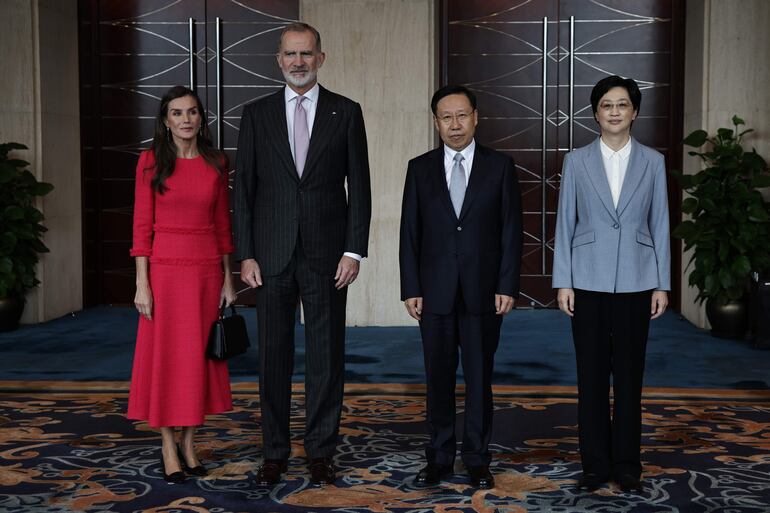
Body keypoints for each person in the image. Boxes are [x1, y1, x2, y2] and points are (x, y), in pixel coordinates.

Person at [233, 22, 371, 487]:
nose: (298, 62)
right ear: (278, 60)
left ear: (321, 58)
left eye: (306, 54)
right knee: (272, 358)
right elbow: (243, 190)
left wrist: (353, 251)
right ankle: (273, 452)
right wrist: (246, 254)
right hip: (269, 257)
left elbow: (360, 187)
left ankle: (321, 452)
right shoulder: (256, 114)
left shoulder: (345, 112)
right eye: (290, 54)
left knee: (326, 358)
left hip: (328, 256)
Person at [399, 85, 522, 489]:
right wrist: (411, 287)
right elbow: (410, 232)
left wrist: (507, 284)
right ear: (436, 122)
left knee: (479, 378)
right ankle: (438, 457)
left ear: (476, 118)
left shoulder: (499, 167)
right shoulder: (419, 168)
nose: (455, 124)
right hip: (433, 291)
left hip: (483, 291)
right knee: (437, 378)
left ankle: (477, 459)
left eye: (462, 115)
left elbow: (511, 230)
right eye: (446, 117)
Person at [552, 75, 671, 493]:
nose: (615, 111)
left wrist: (662, 284)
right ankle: (594, 465)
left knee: (629, 377)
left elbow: (660, 223)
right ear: (596, 113)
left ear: (634, 112)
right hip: (586, 279)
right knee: (591, 377)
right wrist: (563, 281)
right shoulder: (576, 161)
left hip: (638, 280)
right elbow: (565, 222)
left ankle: (627, 465)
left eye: (622, 104)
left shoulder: (653, 162)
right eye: (607, 105)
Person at [127, 86, 237, 483]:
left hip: (206, 273)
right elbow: (142, 227)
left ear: (201, 118)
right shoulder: (150, 162)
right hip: (165, 274)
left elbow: (223, 225)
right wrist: (142, 284)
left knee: (197, 361)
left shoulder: (216, 161)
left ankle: (189, 443)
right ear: (165, 120)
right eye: (177, 113)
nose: (185, 119)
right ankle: (167, 446)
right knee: (167, 360)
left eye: (192, 112)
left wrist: (228, 279)